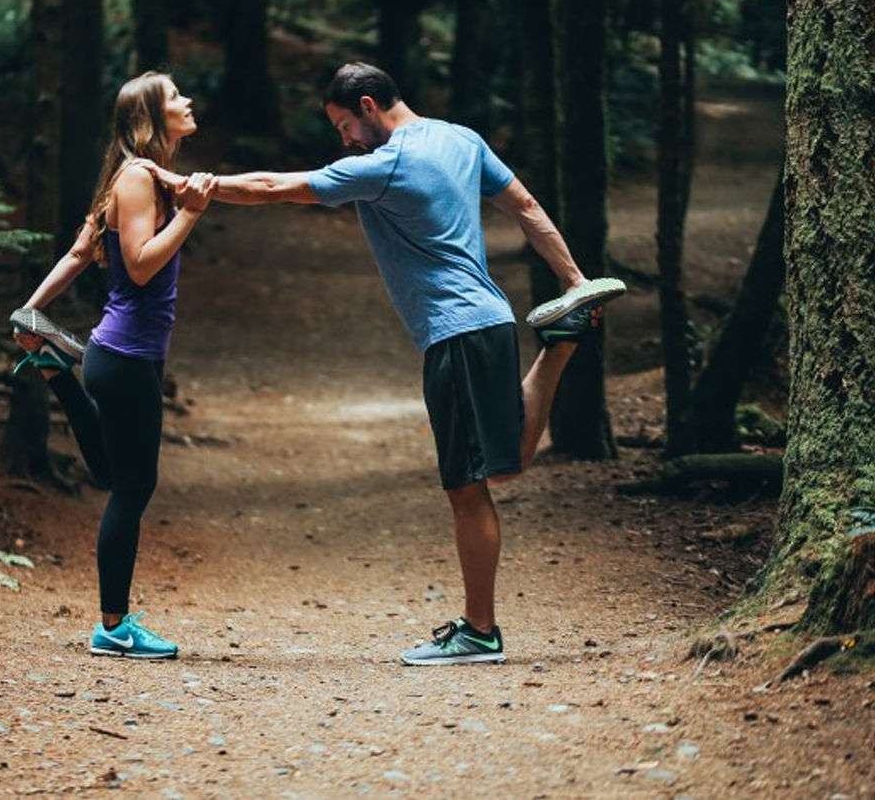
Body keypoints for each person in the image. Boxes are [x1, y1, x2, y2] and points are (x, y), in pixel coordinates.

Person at [146, 61, 625, 666]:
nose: (344, 138)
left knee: (468, 489)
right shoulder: (462, 139)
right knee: (509, 462)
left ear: (369, 106)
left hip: (454, 335)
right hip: (495, 323)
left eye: (346, 124)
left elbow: (274, 187)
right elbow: (526, 206)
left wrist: (185, 183)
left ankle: (480, 632)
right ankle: (561, 339)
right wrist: (574, 278)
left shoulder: (383, 165)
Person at [10, 71, 217, 660]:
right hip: (124, 357)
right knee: (133, 486)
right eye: (176, 96)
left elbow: (80, 252)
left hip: (127, 358)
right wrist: (190, 215)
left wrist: (29, 311)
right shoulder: (135, 181)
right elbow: (142, 263)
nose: (187, 100)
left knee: (112, 474)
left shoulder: (142, 175)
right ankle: (114, 627)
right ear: (150, 117)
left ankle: (54, 365)